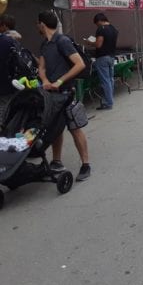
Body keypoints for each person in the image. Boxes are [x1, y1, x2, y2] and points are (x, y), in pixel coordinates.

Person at [37, 10, 91, 181]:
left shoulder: (63, 41)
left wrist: (59, 81)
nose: (36, 27)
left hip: (67, 92)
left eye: (37, 24)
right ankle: (56, 161)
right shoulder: (45, 44)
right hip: (52, 95)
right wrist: (45, 80)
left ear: (42, 24)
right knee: (55, 128)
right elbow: (42, 67)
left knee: (74, 128)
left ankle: (85, 164)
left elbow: (79, 64)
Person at [87, 13, 118, 110]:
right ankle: (110, 100)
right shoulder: (114, 29)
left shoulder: (101, 29)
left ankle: (108, 103)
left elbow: (99, 44)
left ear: (100, 21)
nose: (97, 25)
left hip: (102, 57)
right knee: (110, 79)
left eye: (97, 23)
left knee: (105, 81)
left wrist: (90, 43)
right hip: (111, 56)